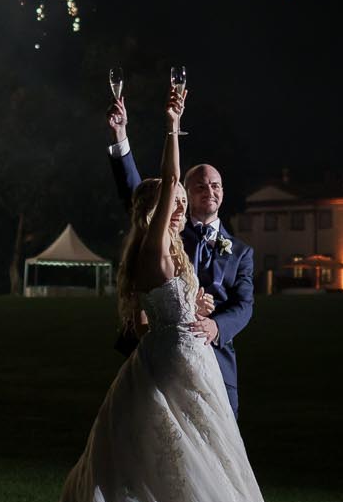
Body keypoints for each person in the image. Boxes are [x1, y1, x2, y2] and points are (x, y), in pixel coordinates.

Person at [24, 87, 343, 502]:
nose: (185, 203)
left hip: (203, 367)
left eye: (201, 192)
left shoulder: (215, 248)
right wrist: (166, 128)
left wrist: (202, 308)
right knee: (162, 471)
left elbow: (239, 306)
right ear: (166, 203)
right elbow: (152, 191)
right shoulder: (157, 237)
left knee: (205, 475)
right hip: (167, 370)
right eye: (181, 195)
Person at [106, 88, 255, 417]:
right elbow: (137, 195)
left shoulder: (241, 252)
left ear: (223, 192)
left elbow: (244, 305)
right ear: (182, 193)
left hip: (215, 359)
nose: (209, 191)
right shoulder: (168, 233)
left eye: (215, 185)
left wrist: (215, 326)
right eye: (200, 185)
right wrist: (120, 136)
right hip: (164, 357)